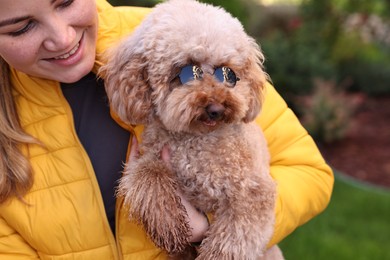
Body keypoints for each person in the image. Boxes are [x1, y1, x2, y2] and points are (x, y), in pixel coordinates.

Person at [0, 0, 334, 259]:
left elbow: (309, 172)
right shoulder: (147, 56)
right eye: (20, 28)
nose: (63, 38)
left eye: (67, 1)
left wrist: (212, 227)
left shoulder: (192, 31)